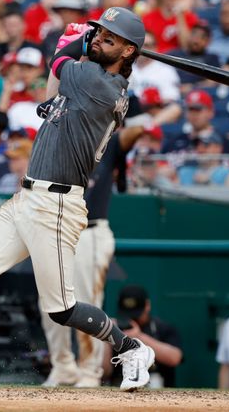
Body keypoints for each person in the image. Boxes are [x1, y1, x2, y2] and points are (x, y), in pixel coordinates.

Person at [0, 7, 156, 392]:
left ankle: (130, 347)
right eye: (100, 33)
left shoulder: (99, 84)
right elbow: (50, 94)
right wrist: (80, 44)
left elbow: (58, 62)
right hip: (27, 195)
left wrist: (74, 42)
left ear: (128, 52)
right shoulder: (91, 79)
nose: (100, 39)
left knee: (62, 310)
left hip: (57, 205)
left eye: (110, 38)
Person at [39, 125, 154, 388]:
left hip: (90, 230)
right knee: (47, 300)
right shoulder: (59, 140)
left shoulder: (105, 141)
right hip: (56, 228)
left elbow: (133, 133)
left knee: (86, 300)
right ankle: (63, 367)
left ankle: (90, 370)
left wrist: (120, 116)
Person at [104, 285, 183, 389]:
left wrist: (139, 336)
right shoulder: (116, 328)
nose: (132, 319)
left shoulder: (162, 328)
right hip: (122, 388)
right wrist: (107, 336)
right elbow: (104, 371)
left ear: (147, 306)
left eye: (137, 314)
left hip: (159, 388)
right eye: (128, 315)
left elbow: (175, 358)